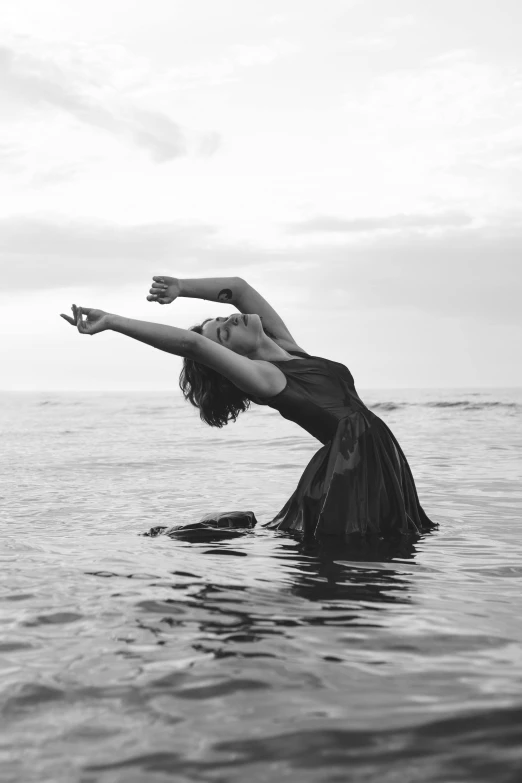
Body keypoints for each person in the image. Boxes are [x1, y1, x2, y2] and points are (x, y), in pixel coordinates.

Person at [60, 275, 437, 542]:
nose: (228, 319)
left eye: (221, 320)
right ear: (232, 358)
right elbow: (192, 347)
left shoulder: (289, 349)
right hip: (354, 458)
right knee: (365, 550)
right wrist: (113, 321)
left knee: (379, 540)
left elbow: (238, 288)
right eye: (223, 333)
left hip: (371, 449)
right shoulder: (265, 378)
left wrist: (181, 288)